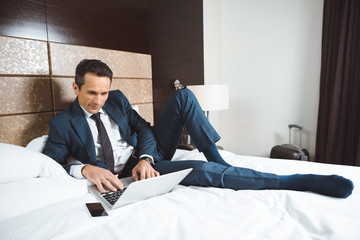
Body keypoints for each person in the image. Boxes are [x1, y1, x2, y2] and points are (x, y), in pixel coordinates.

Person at [42, 59, 354, 198]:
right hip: (126, 176)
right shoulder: (61, 123)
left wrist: (146, 158)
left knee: (184, 96)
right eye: (92, 93)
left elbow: (146, 131)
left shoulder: (118, 100)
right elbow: (53, 160)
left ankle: (217, 158)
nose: (99, 100)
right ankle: (292, 181)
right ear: (76, 87)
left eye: (104, 92)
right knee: (197, 170)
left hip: (146, 160)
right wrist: (85, 170)